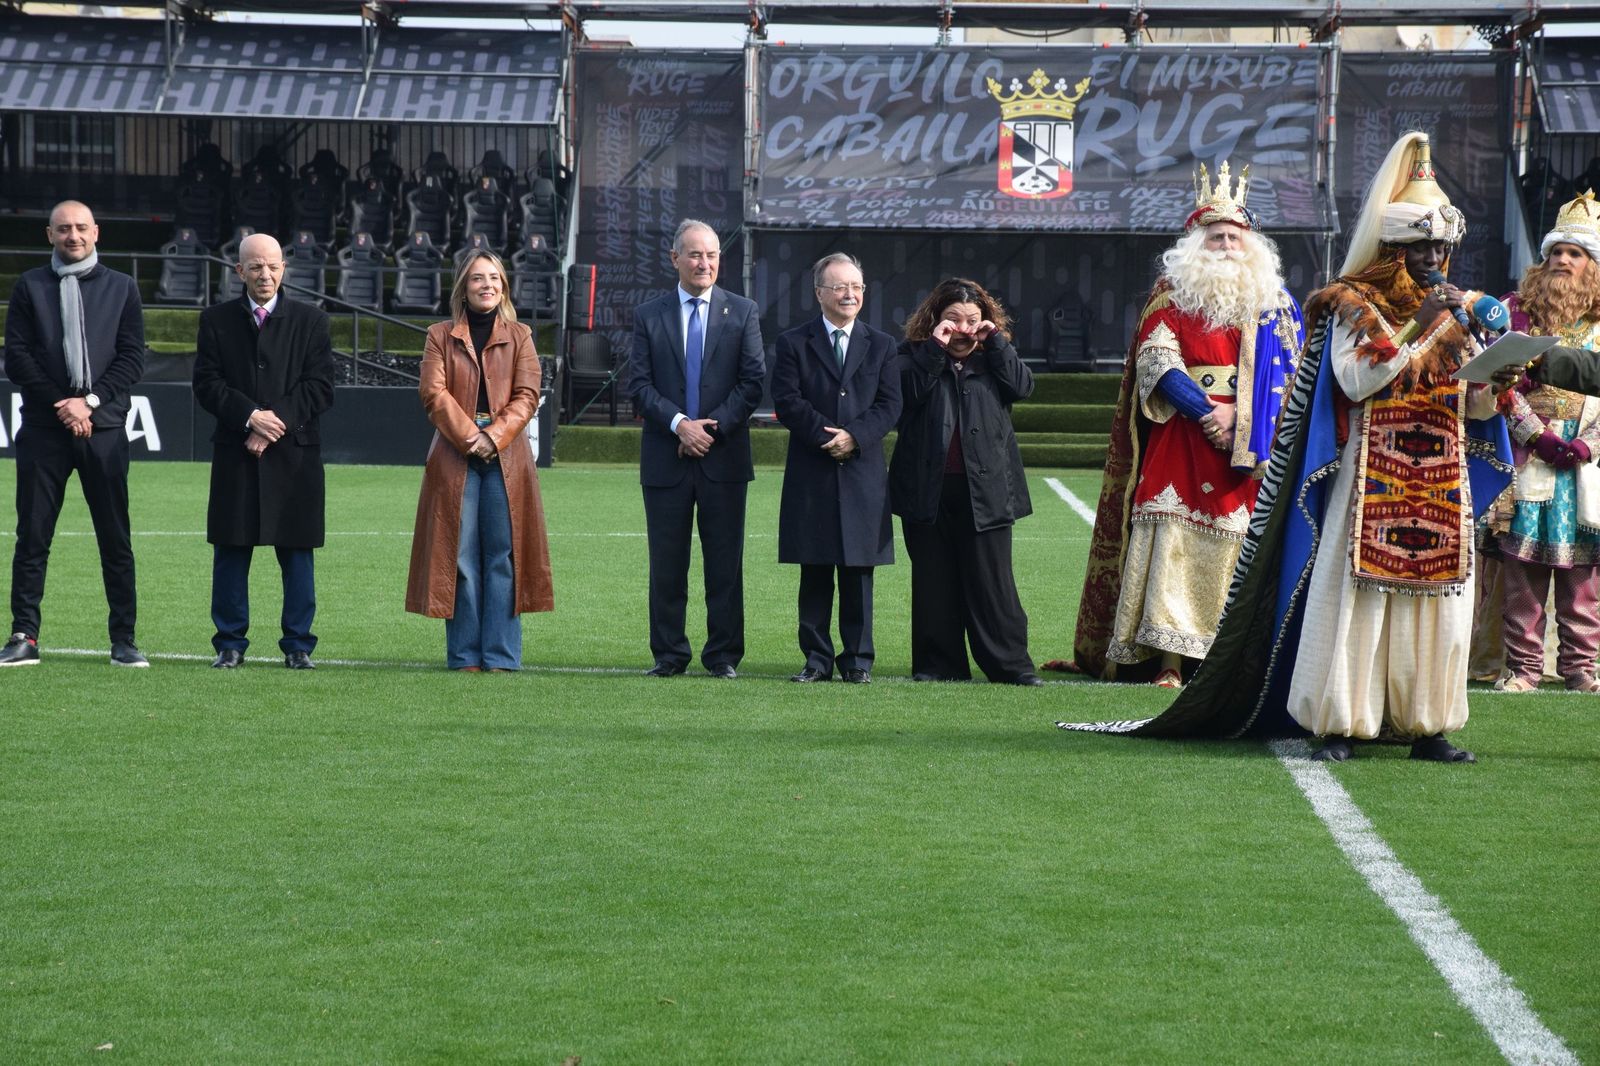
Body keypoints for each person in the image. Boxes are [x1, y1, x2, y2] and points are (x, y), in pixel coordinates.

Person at [1063, 132, 1515, 764]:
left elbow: (1473, 404)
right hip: (1367, 476)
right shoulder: (1351, 304)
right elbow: (1358, 379)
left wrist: (1496, 377)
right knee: (1355, 603)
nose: (1437, 259)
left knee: (1437, 608)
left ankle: (1427, 724)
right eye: (1423, 247)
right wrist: (1423, 324)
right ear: (1395, 250)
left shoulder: (1448, 313)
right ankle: (1338, 720)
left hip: (1438, 480)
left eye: (1443, 247)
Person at [1070, 160, 1303, 688]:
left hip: (1253, 444)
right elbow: (1158, 364)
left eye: (1234, 237)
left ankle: (1220, 661)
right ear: (1196, 243)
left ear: (1252, 245)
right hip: (1182, 436)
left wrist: (1240, 417)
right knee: (1170, 540)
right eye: (1215, 237)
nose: (1225, 246)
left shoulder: (1278, 306)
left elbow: (1294, 377)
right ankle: (1168, 663)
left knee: (1236, 546)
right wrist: (1209, 415)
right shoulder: (1170, 298)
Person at [0, 200, 147, 668]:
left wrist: (90, 402)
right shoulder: (30, 287)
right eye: (63, 229)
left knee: (114, 537)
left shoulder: (122, 287)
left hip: (102, 429)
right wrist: (63, 405)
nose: (73, 236)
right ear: (49, 235)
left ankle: (124, 640)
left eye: (81, 228)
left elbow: (131, 359)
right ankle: (24, 636)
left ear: (96, 232)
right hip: (45, 429)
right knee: (33, 535)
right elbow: (18, 357)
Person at [628, 219, 765, 679]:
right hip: (665, 459)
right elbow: (639, 387)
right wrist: (680, 425)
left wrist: (711, 429)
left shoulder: (743, 311)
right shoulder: (649, 314)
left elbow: (753, 383)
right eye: (694, 254)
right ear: (674, 259)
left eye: (711, 255)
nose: (704, 263)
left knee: (725, 565)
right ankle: (669, 654)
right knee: (666, 565)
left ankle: (723, 655)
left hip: (723, 459)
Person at [192, 232, 335, 669]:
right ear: (240, 271)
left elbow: (320, 388)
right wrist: (249, 416)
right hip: (236, 453)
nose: (265, 274)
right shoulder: (215, 320)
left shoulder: (312, 321)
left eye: (273, 266)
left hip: (295, 455)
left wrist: (271, 424)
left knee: (296, 551)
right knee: (231, 549)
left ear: (284, 269)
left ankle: (298, 646)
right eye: (255, 266)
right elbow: (207, 384)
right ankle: (230, 644)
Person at [405, 250, 553, 670]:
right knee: (460, 557)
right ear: (463, 288)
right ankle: (465, 655)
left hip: (508, 457)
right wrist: (473, 438)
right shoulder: (440, 334)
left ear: (503, 285)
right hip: (455, 453)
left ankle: (501, 656)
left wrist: (495, 436)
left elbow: (528, 396)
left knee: (503, 556)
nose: (486, 284)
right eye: (477, 278)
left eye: (494, 277)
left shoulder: (521, 334)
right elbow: (433, 394)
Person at [889, 278, 1041, 685]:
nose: (963, 329)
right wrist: (934, 350)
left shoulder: (995, 357)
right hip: (927, 487)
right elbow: (906, 394)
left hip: (987, 488)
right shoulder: (910, 356)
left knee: (993, 583)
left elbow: (1023, 387)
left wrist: (997, 343)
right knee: (933, 581)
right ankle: (938, 666)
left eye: (973, 320)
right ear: (935, 320)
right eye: (953, 319)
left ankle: (1011, 667)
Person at [1486, 189, 1600, 693]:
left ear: (1592, 266)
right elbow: (1496, 381)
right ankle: (1524, 669)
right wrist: (1538, 435)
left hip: (1587, 462)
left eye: (1574, 254)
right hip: (1529, 452)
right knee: (1524, 568)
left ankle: (1580, 669)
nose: (1562, 261)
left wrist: (1588, 444)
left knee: (1584, 576)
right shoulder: (1517, 311)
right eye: (1556, 252)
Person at [771, 253, 902, 684]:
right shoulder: (793, 343)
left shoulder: (882, 344)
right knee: (815, 568)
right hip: (813, 470)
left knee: (858, 571)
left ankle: (858, 661)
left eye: (857, 287)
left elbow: (890, 405)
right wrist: (827, 438)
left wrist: (855, 438)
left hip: (863, 473)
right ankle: (816, 659)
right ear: (819, 294)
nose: (850, 294)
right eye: (841, 287)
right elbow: (787, 401)